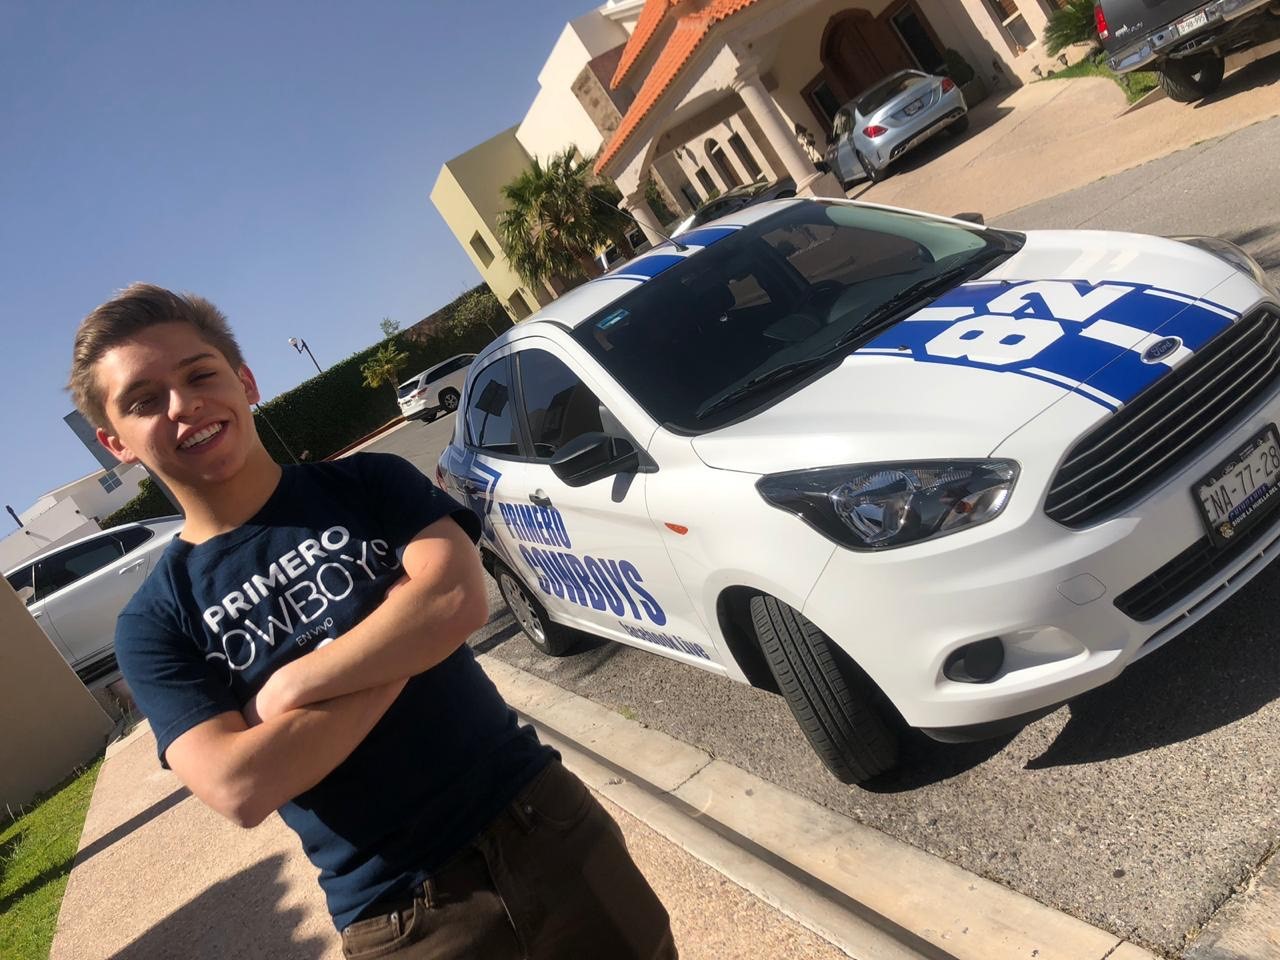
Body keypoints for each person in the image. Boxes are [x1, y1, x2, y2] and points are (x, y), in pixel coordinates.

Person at [69, 283, 676, 959]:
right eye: (144, 401)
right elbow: (240, 785)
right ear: (114, 442)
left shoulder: (370, 485)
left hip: (547, 826)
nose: (183, 406)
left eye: (199, 374)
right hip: (402, 916)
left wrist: (300, 686)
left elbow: (456, 601)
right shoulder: (154, 624)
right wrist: (404, 635)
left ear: (245, 380)